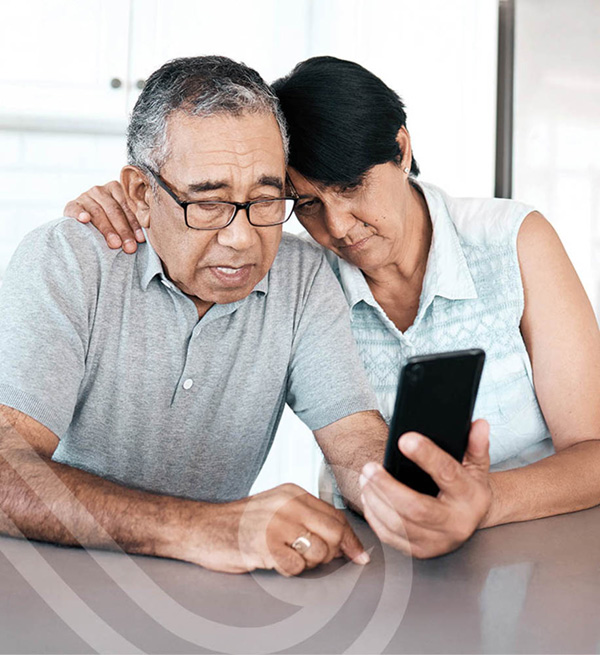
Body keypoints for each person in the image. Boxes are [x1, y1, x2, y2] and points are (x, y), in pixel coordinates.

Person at [69, 55, 600, 559]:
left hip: (548, 545)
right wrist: (137, 205)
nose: (340, 227)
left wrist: (483, 501)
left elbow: (593, 450)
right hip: (384, 552)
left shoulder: (511, 242)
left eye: (353, 187)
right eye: (308, 204)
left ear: (401, 149)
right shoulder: (295, 269)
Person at [0, 56, 397, 577]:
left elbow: (354, 441)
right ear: (142, 194)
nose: (241, 239)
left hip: (209, 592)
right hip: (58, 584)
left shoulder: (301, 276)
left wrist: (403, 491)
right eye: (208, 204)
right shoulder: (67, 260)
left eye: (264, 197)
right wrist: (204, 526)